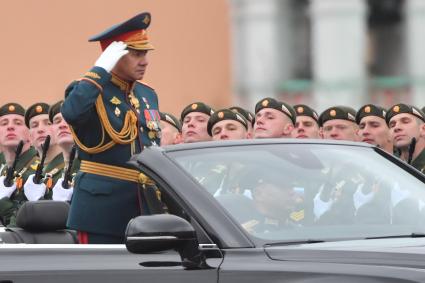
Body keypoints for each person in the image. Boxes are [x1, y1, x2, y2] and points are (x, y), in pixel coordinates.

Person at [61, 12, 164, 244]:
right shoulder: (89, 89)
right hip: (101, 211)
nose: (144, 61)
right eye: (136, 54)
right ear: (113, 57)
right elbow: (72, 113)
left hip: (146, 207)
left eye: (145, 53)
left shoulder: (147, 94)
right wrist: (99, 70)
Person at [0, 103, 38, 226]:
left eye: (18, 123)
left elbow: (24, 223)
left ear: (30, 133)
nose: (10, 127)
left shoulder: (39, 172)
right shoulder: (3, 170)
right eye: (4, 123)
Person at [24, 103, 65, 201]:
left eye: (48, 123)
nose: (40, 129)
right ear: (29, 137)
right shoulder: (29, 175)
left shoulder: (69, 169)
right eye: (34, 125)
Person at [49, 101, 80, 202]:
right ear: (52, 130)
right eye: (57, 121)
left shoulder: (93, 168)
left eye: (68, 120)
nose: (62, 125)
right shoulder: (51, 176)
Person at [386, 103, 425, 172]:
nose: (396, 127)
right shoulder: (389, 170)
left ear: (423, 129)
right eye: (392, 125)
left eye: (405, 122)